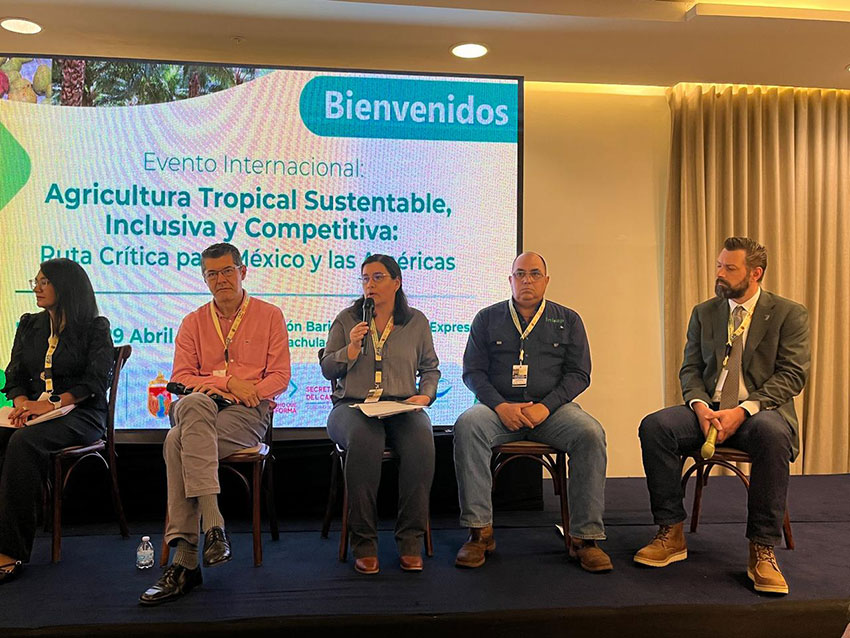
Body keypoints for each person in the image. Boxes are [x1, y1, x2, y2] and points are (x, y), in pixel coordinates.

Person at [635, 237, 809, 595]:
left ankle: (762, 549)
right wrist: (700, 407)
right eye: (718, 265)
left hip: (758, 412)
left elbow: (792, 375)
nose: (720, 274)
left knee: (773, 435)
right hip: (708, 410)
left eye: (730, 268)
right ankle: (671, 531)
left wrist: (743, 411)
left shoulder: (788, 314)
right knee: (656, 427)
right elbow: (690, 369)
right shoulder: (705, 312)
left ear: (755, 273)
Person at [140, 243, 290, 605]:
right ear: (204, 279)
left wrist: (245, 392)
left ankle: (185, 562)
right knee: (194, 403)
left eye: (227, 271)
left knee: (176, 442)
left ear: (243, 272)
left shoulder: (270, 315)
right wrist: (228, 383)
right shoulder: (193, 322)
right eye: (212, 274)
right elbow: (180, 378)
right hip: (200, 407)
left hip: (245, 413)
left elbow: (280, 377)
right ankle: (214, 526)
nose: (220, 279)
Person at [453, 252, 611, 572]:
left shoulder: (568, 319)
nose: (527, 280)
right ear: (510, 280)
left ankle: (585, 539)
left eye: (535, 274)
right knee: (468, 425)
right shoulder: (487, 318)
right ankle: (479, 533)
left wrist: (546, 407)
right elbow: (473, 372)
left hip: (552, 412)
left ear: (546, 281)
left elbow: (579, 374)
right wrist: (500, 406)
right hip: (497, 411)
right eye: (520, 274)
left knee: (590, 433)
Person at [320, 254, 439, 575]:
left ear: (396, 282)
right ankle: (364, 543)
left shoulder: (416, 322)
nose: (369, 285)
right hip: (351, 407)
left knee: (422, 441)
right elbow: (328, 368)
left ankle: (411, 540)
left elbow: (430, 368)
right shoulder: (347, 319)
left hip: (400, 406)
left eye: (377, 277)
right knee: (365, 439)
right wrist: (350, 349)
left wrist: (426, 394)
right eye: (365, 278)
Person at [0, 259, 114, 583]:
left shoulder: (95, 328)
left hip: (82, 414)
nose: (36, 288)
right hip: (36, 411)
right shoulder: (29, 325)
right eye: (35, 281)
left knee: (23, 443)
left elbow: (95, 381)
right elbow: (14, 376)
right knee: (7, 434)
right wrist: (23, 405)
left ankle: (9, 552)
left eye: (44, 282)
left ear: (65, 286)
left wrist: (49, 404)